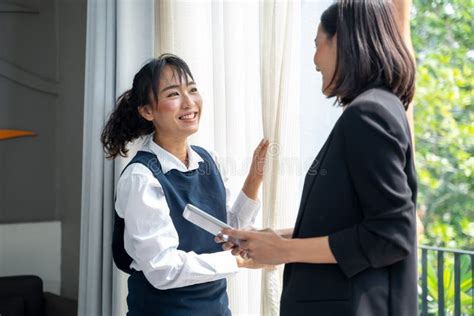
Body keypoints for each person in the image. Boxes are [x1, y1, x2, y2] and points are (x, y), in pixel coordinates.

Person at [219, 1, 418, 315]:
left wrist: (285, 249)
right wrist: (272, 239)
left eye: (316, 44)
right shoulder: (379, 108)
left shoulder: (368, 114)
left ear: (340, 41)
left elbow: (392, 235)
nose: (314, 60)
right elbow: (353, 223)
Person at [101, 54, 269, 316]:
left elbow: (225, 233)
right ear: (147, 111)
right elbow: (162, 269)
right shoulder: (141, 178)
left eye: (192, 89)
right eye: (173, 94)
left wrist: (253, 181)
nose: (189, 102)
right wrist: (236, 261)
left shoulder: (208, 160)